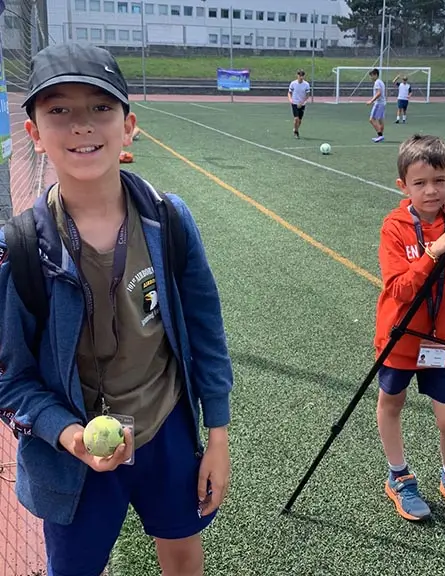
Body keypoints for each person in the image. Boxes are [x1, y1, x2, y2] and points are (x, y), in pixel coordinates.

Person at [0, 42, 233, 576]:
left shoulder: (168, 221)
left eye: (100, 107)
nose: (82, 126)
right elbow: (10, 382)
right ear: (34, 132)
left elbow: (206, 334)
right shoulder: (18, 250)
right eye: (59, 110)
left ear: (128, 126)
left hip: (167, 429)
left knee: (183, 555)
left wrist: (216, 436)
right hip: (73, 456)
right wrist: (67, 433)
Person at [375, 134, 445, 524]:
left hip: (444, 341)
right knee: (392, 403)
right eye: (420, 183)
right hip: (403, 336)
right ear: (403, 186)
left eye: (439, 181)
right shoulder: (394, 227)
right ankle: (399, 477)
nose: (431, 191)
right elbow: (400, 289)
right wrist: (433, 251)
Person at [287, 69, 310, 139]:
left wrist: (302, 102)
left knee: (299, 121)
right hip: (294, 103)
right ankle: (296, 132)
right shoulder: (293, 83)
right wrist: (290, 99)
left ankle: (295, 129)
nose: (301, 77)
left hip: (302, 104)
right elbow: (289, 92)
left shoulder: (306, 84)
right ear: (297, 76)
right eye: (300, 75)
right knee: (296, 119)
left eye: (302, 75)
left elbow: (307, 95)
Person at [366, 68, 386, 143]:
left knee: (372, 119)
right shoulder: (381, 82)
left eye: (371, 75)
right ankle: (380, 136)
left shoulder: (377, 82)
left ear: (375, 75)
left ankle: (380, 135)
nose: (371, 77)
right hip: (383, 103)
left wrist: (371, 101)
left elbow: (379, 93)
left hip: (379, 103)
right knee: (380, 120)